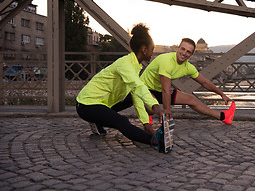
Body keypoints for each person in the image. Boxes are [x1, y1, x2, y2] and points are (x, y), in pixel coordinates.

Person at [76, 23, 169, 152]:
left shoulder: (135, 65)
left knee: (131, 97)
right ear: (144, 49)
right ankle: (153, 140)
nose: (153, 53)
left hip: (101, 103)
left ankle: (98, 121)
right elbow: (138, 86)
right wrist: (156, 107)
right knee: (121, 121)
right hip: (86, 105)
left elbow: (136, 94)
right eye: (152, 49)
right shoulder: (125, 64)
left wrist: (146, 124)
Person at [140, 38, 236, 130]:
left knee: (191, 99)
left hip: (159, 89)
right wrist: (168, 113)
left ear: (191, 54)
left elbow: (204, 82)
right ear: (178, 48)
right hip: (143, 89)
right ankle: (148, 115)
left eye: (188, 52)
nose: (184, 53)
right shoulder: (167, 61)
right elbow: (166, 90)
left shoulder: (188, 67)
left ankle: (224, 117)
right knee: (153, 107)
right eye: (183, 49)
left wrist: (222, 94)